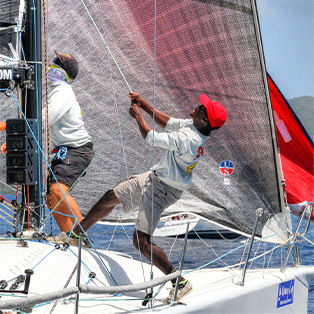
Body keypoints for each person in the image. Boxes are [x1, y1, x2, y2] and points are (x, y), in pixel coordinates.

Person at [73, 92, 227, 302]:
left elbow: (151, 137)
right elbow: (169, 122)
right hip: (155, 178)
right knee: (112, 195)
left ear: (204, 119)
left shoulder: (190, 139)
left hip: (162, 190)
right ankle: (76, 235)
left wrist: (138, 116)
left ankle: (178, 281)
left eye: (202, 107)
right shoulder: (195, 126)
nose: (198, 105)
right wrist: (143, 104)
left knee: (141, 241)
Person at [45, 50, 94, 236]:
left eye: (56, 61)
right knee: (51, 197)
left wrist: (5, 127)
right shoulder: (59, 90)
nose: (52, 62)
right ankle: (71, 237)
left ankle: (82, 236)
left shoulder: (62, 91)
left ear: (61, 70)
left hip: (76, 149)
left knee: (58, 190)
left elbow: (43, 119)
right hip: (65, 150)